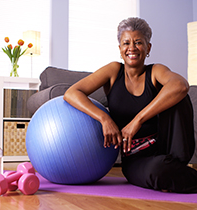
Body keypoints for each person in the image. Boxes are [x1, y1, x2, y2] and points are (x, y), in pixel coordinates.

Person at [64, 17, 197, 193]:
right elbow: (71, 93)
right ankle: (175, 173)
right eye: (126, 43)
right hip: (136, 158)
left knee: (178, 95)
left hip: (170, 148)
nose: (132, 48)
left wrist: (138, 120)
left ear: (148, 48)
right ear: (120, 49)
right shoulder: (113, 71)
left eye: (138, 42)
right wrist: (105, 118)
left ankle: (176, 168)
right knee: (158, 172)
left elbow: (181, 85)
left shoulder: (155, 71)